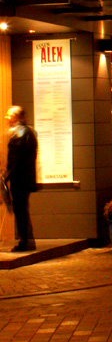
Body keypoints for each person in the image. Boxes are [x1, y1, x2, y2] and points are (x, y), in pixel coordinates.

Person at [3, 106, 38, 251]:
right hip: (26, 178)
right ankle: (27, 240)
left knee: (20, 210)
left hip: (19, 179)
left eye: (9, 115)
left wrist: (6, 176)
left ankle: (25, 241)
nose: (7, 118)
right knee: (22, 209)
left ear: (17, 117)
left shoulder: (18, 133)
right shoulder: (30, 132)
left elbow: (15, 160)